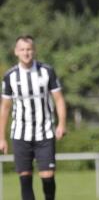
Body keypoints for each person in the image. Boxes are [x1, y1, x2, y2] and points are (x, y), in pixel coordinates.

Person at [0, 35, 67, 200]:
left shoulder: (47, 71)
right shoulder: (10, 76)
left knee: (48, 177)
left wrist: (61, 124)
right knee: (25, 179)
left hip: (44, 133)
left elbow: (59, 99)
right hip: (21, 134)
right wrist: (1, 137)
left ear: (34, 51)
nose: (26, 53)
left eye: (29, 49)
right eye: (22, 49)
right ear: (16, 52)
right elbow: (5, 108)